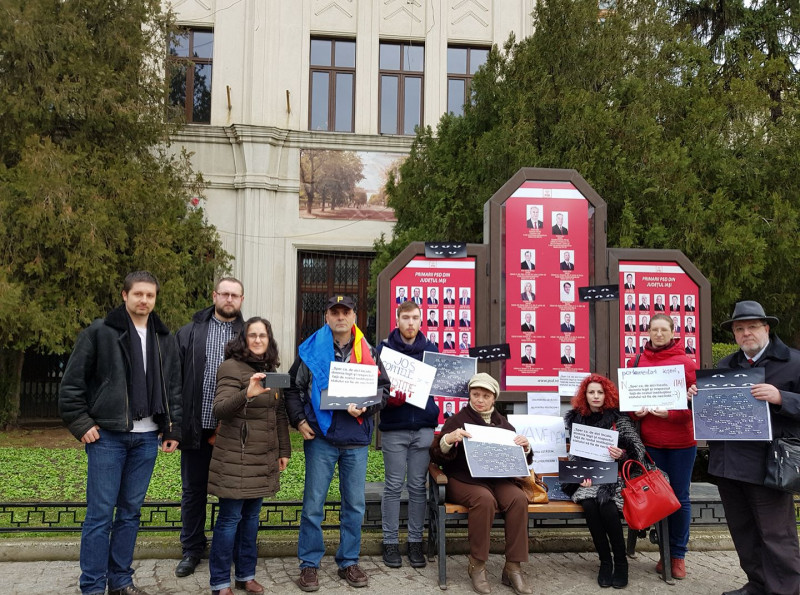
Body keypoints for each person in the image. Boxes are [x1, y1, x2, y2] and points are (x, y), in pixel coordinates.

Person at [59, 271, 182, 595]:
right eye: (138, 294)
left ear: (155, 299)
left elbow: (172, 388)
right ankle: (92, 586)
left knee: (130, 513)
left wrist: (172, 427)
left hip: (146, 439)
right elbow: (71, 385)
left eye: (150, 295)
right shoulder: (100, 333)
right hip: (108, 439)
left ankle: (121, 582)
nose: (144, 300)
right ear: (125, 295)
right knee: (100, 515)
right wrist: (82, 424)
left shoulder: (162, 337)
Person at [284, 295, 389, 592]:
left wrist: (366, 407)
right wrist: (300, 421)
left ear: (354, 316)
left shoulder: (368, 350)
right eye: (335, 312)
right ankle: (309, 565)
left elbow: (384, 389)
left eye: (346, 312)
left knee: (354, 505)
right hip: (321, 438)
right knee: (313, 506)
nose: (340, 317)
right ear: (327, 317)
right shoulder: (310, 350)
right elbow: (293, 388)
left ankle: (349, 561)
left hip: (355, 439)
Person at [696, 301, 800, 595]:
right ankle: (758, 584)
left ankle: (787, 590)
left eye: (752, 327)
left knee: (776, 534)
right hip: (728, 464)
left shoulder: (794, 362)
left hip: (769, 466)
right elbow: (713, 413)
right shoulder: (725, 366)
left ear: (766, 328)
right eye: (739, 329)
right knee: (744, 532)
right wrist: (698, 395)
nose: (746, 333)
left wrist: (782, 397)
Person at [207, 317, 290, 595]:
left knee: (252, 520)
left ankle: (245, 575)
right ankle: (220, 583)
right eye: (252, 335)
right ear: (244, 339)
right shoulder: (231, 367)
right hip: (236, 457)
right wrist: (247, 393)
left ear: (269, 340)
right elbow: (219, 409)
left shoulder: (271, 370)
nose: (257, 340)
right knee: (229, 520)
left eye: (262, 336)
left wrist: (284, 450)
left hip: (263, 457)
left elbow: (278, 413)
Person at [430, 373, 533, 595]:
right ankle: (477, 564)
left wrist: (525, 448)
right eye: (475, 394)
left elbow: (517, 462)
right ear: (469, 395)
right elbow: (437, 455)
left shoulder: (504, 424)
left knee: (517, 499)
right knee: (483, 500)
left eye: (485, 396)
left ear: (493, 398)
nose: (479, 399)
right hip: (463, 479)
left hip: (497, 479)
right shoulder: (457, 420)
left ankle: (513, 566)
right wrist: (448, 440)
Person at [174, 277, 245, 578]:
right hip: (197, 427)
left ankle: (229, 548)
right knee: (193, 491)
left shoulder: (250, 334)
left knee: (234, 492)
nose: (229, 299)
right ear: (214, 295)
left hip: (233, 429)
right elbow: (174, 381)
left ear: (242, 299)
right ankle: (191, 549)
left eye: (235, 295)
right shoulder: (190, 332)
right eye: (224, 293)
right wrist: (173, 425)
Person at [563, 375, 647, 589]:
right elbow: (575, 454)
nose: (596, 396)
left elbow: (638, 451)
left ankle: (621, 562)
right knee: (590, 506)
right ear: (585, 395)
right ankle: (604, 561)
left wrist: (622, 455)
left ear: (607, 395)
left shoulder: (618, 419)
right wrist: (579, 477)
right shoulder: (576, 419)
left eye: (600, 392)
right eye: (591, 392)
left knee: (607, 508)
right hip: (588, 479)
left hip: (615, 479)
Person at [631, 313, 697, 580]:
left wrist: (669, 414)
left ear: (673, 332)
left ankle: (677, 556)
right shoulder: (637, 361)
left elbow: (693, 407)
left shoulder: (685, 363)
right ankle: (663, 551)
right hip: (651, 443)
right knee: (657, 497)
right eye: (653, 330)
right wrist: (638, 412)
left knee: (680, 498)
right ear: (647, 332)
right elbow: (631, 407)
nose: (658, 334)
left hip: (681, 443)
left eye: (663, 330)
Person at [376, 300, 439, 569]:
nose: (410, 323)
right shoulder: (383, 350)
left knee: (417, 488)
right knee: (392, 487)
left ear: (421, 320)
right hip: (394, 428)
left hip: (423, 428)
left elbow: (443, 382)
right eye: (406, 318)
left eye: (415, 318)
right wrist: (388, 399)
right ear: (398, 320)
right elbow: (374, 386)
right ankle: (389, 542)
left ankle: (415, 542)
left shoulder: (432, 350)